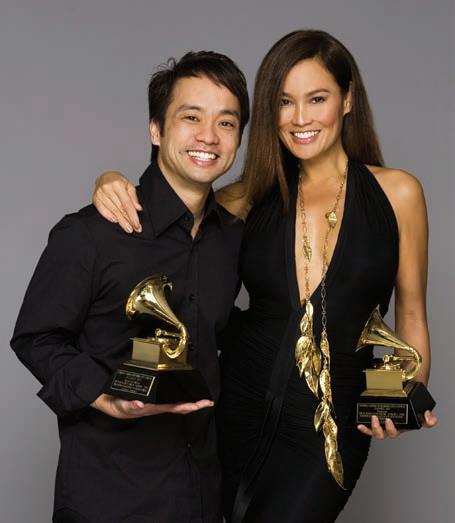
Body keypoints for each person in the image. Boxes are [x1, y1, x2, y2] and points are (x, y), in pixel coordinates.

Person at [92, 30, 437, 522]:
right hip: (237, 401)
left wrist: (407, 394)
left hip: (331, 424)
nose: (299, 118)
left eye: (316, 99)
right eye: (284, 102)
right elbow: (167, 207)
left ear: (347, 100)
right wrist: (109, 181)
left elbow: (412, 314)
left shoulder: (398, 194)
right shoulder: (245, 198)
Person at [11, 51, 250, 523]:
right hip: (109, 498)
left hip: (202, 494)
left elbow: (227, 333)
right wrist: (106, 398)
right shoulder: (90, 233)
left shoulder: (234, 240)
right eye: (191, 117)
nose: (209, 136)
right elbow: (35, 338)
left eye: (226, 123)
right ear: (156, 129)